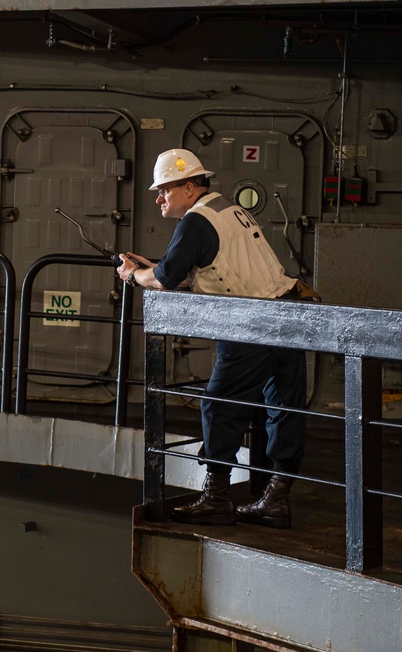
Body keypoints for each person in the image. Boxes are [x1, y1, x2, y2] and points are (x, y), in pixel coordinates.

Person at [116, 148, 308, 529]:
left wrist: (133, 276)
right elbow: (208, 265)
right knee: (283, 406)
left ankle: (217, 498)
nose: (159, 199)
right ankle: (276, 498)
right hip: (286, 314)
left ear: (189, 187)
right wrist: (161, 267)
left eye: (165, 190)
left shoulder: (195, 221)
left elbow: (165, 280)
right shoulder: (227, 209)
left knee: (218, 405)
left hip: (250, 323)